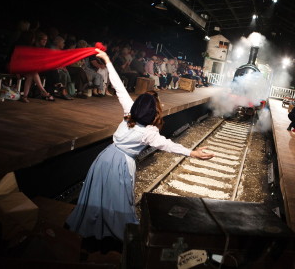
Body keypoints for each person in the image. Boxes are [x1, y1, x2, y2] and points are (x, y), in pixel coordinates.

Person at [65, 49, 214, 241]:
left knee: (98, 195)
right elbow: (168, 145)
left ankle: (92, 227)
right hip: (123, 165)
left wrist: (108, 61)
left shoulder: (129, 112)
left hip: (105, 157)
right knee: (119, 201)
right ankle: (117, 234)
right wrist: (192, 153)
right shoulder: (149, 132)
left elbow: (118, 86)